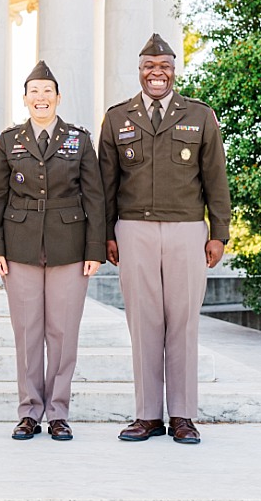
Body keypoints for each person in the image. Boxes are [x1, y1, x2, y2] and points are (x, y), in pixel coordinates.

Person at [98, 34, 231, 444]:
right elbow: (106, 183)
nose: (157, 74)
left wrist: (219, 233)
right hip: (133, 230)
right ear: (139, 72)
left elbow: (215, 179)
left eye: (164, 67)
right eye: (149, 67)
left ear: (174, 70)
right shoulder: (118, 117)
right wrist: (106, 234)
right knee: (144, 323)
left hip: (188, 230)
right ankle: (147, 415)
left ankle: (184, 417)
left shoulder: (199, 115)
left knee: (183, 323)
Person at [0, 61, 106, 441]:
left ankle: (57, 412)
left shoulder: (79, 139)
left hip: (69, 247)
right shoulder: (9, 141)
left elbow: (95, 197)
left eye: (47, 91)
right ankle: (29, 412)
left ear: (58, 98)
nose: (40, 98)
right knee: (27, 333)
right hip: (19, 247)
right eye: (33, 92)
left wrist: (94, 249)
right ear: (24, 99)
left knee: (62, 333)